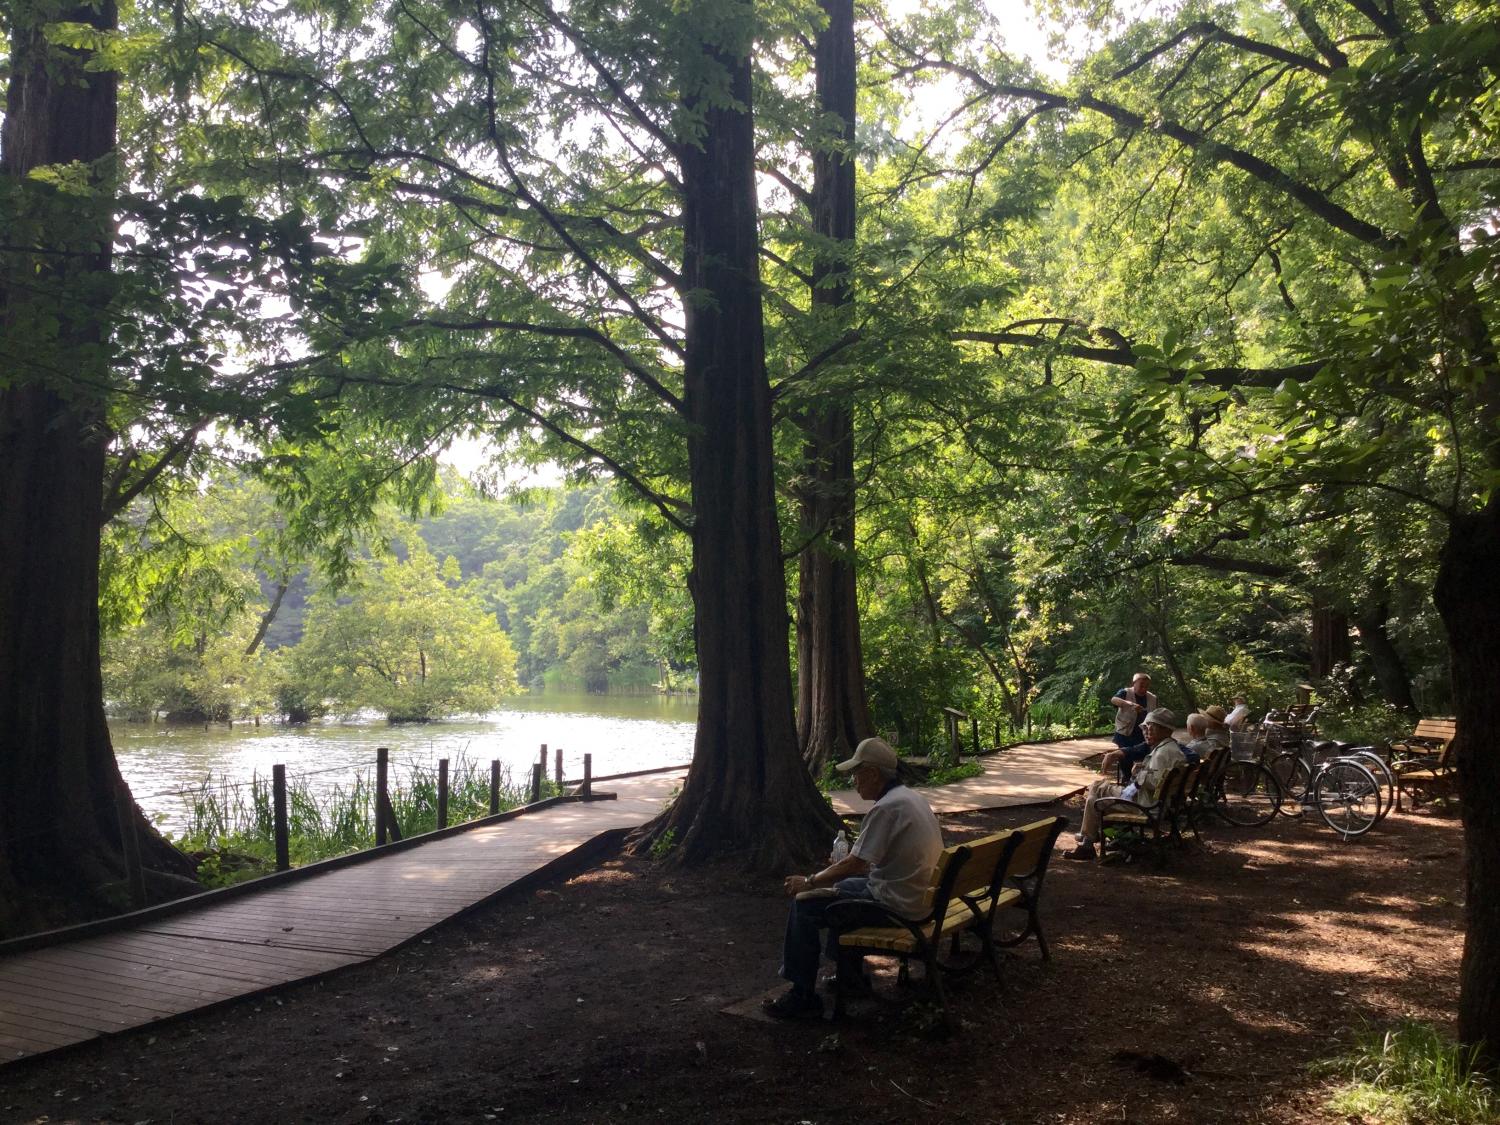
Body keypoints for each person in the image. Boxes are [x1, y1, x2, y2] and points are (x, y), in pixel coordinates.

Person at [765, 737, 943, 1019]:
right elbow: (862, 864)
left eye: (856, 774)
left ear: (873, 773)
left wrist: (810, 881)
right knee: (842, 889)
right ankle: (851, 978)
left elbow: (855, 862)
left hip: (898, 907)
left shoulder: (885, 808)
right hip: (920, 897)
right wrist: (839, 873)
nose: (853, 781)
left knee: (804, 904)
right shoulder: (911, 798)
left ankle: (802, 996)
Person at [1068, 708, 1185, 860]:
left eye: (1152, 728)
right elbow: (1159, 778)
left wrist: (1138, 773)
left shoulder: (1163, 753)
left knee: (1096, 793)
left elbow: (1155, 782)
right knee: (1094, 793)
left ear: (1165, 730)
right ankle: (1089, 839)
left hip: (1145, 805)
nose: (1147, 732)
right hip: (1152, 802)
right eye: (1146, 728)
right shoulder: (1170, 748)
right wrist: (1143, 769)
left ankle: (1088, 841)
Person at [1099, 672, 1157, 779]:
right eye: (1141, 685)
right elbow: (1114, 700)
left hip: (1143, 735)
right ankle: (1125, 781)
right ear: (1134, 683)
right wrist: (1129, 704)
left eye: (1146, 686)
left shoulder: (1152, 698)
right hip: (1124, 734)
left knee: (1143, 760)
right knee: (1125, 761)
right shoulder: (1125, 692)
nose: (1144, 688)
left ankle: (1136, 782)